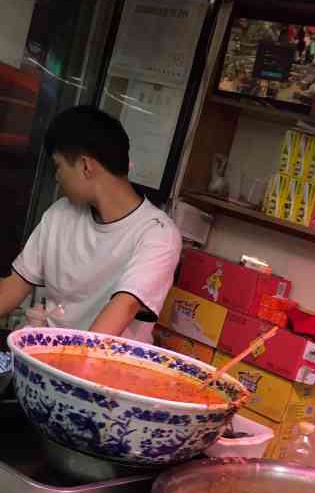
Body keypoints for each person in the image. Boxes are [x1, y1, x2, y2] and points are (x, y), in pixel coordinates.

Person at [0, 105, 181, 340]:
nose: (56, 177)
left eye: (59, 166)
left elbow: (123, 308)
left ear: (86, 166)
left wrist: (63, 369)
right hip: (38, 358)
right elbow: (13, 286)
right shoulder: (60, 213)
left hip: (97, 369)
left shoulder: (157, 234)